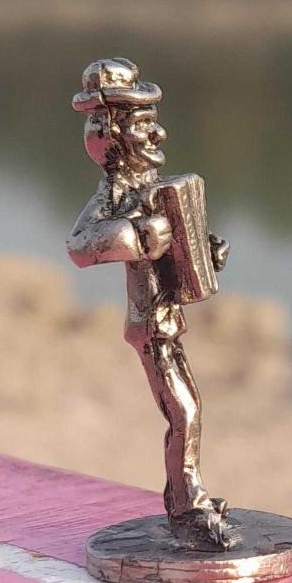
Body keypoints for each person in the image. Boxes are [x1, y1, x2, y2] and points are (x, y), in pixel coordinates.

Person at [68, 58, 230, 547]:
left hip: (167, 320)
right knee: (184, 413)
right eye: (143, 125)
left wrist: (204, 252)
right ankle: (187, 507)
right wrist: (138, 235)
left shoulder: (149, 190)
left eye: (154, 122)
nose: (158, 133)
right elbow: (80, 245)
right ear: (112, 137)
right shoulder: (115, 193)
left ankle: (186, 499)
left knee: (188, 410)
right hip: (150, 327)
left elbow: (174, 253)